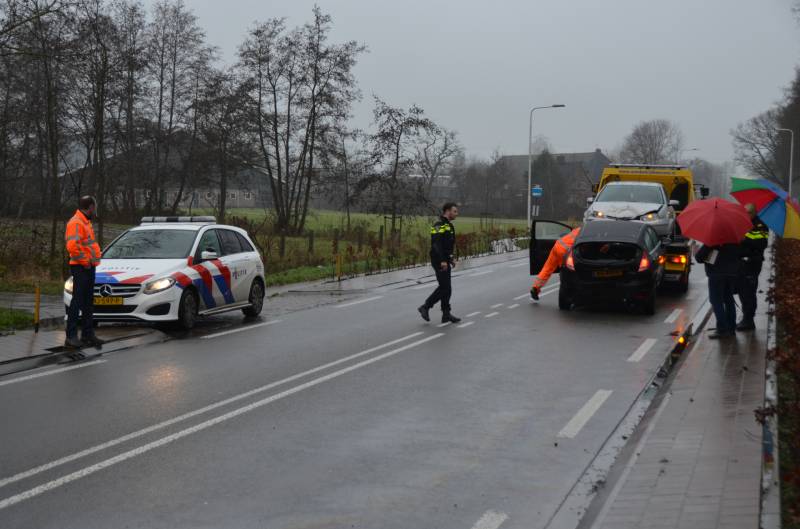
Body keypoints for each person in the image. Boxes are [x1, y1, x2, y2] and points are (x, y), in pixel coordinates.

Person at [65, 196, 104, 350]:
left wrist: (90, 262)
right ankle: (71, 336)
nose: (95, 209)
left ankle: (88, 334)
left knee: (88, 302)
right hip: (81, 267)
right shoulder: (76, 222)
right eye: (95, 206)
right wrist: (85, 262)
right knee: (77, 301)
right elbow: (72, 247)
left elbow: (88, 245)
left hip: (88, 267)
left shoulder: (85, 222)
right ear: (90, 206)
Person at [418, 203, 461, 324]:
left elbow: (448, 245)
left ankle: (446, 314)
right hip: (438, 260)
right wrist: (442, 260)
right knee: (445, 287)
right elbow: (436, 244)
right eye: (455, 211)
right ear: (447, 211)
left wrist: (451, 258)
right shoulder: (439, 224)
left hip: (445, 260)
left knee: (447, 288)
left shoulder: (449, 225)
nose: (456, 214)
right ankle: (425, 307)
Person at [696, 242, 740, 339]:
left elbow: (699, 258)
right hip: (732, 274)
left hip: (716, 275)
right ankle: (731, 328)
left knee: (716, 301)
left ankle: (722, 329)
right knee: (729, 300)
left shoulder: (712, 240)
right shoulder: (734, 240)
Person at [736, 203, 769, 330]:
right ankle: (746, 318)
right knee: (743, 291)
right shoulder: (745, 224)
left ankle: (749, 320)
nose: (746, 215)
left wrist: (743, 238)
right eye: (745, 212)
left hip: (753, 263)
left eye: (749, 212)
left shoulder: (761, 225)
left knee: (749, 291)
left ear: (754, 212)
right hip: (743, 263)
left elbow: (760, 243)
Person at [530, 227, 581, 300]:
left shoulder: (578, 229)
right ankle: (568, 291)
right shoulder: (587, 231)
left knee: (547, 268)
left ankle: (535, 288)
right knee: (568, 270)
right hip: (566, 250)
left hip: (557, 245)